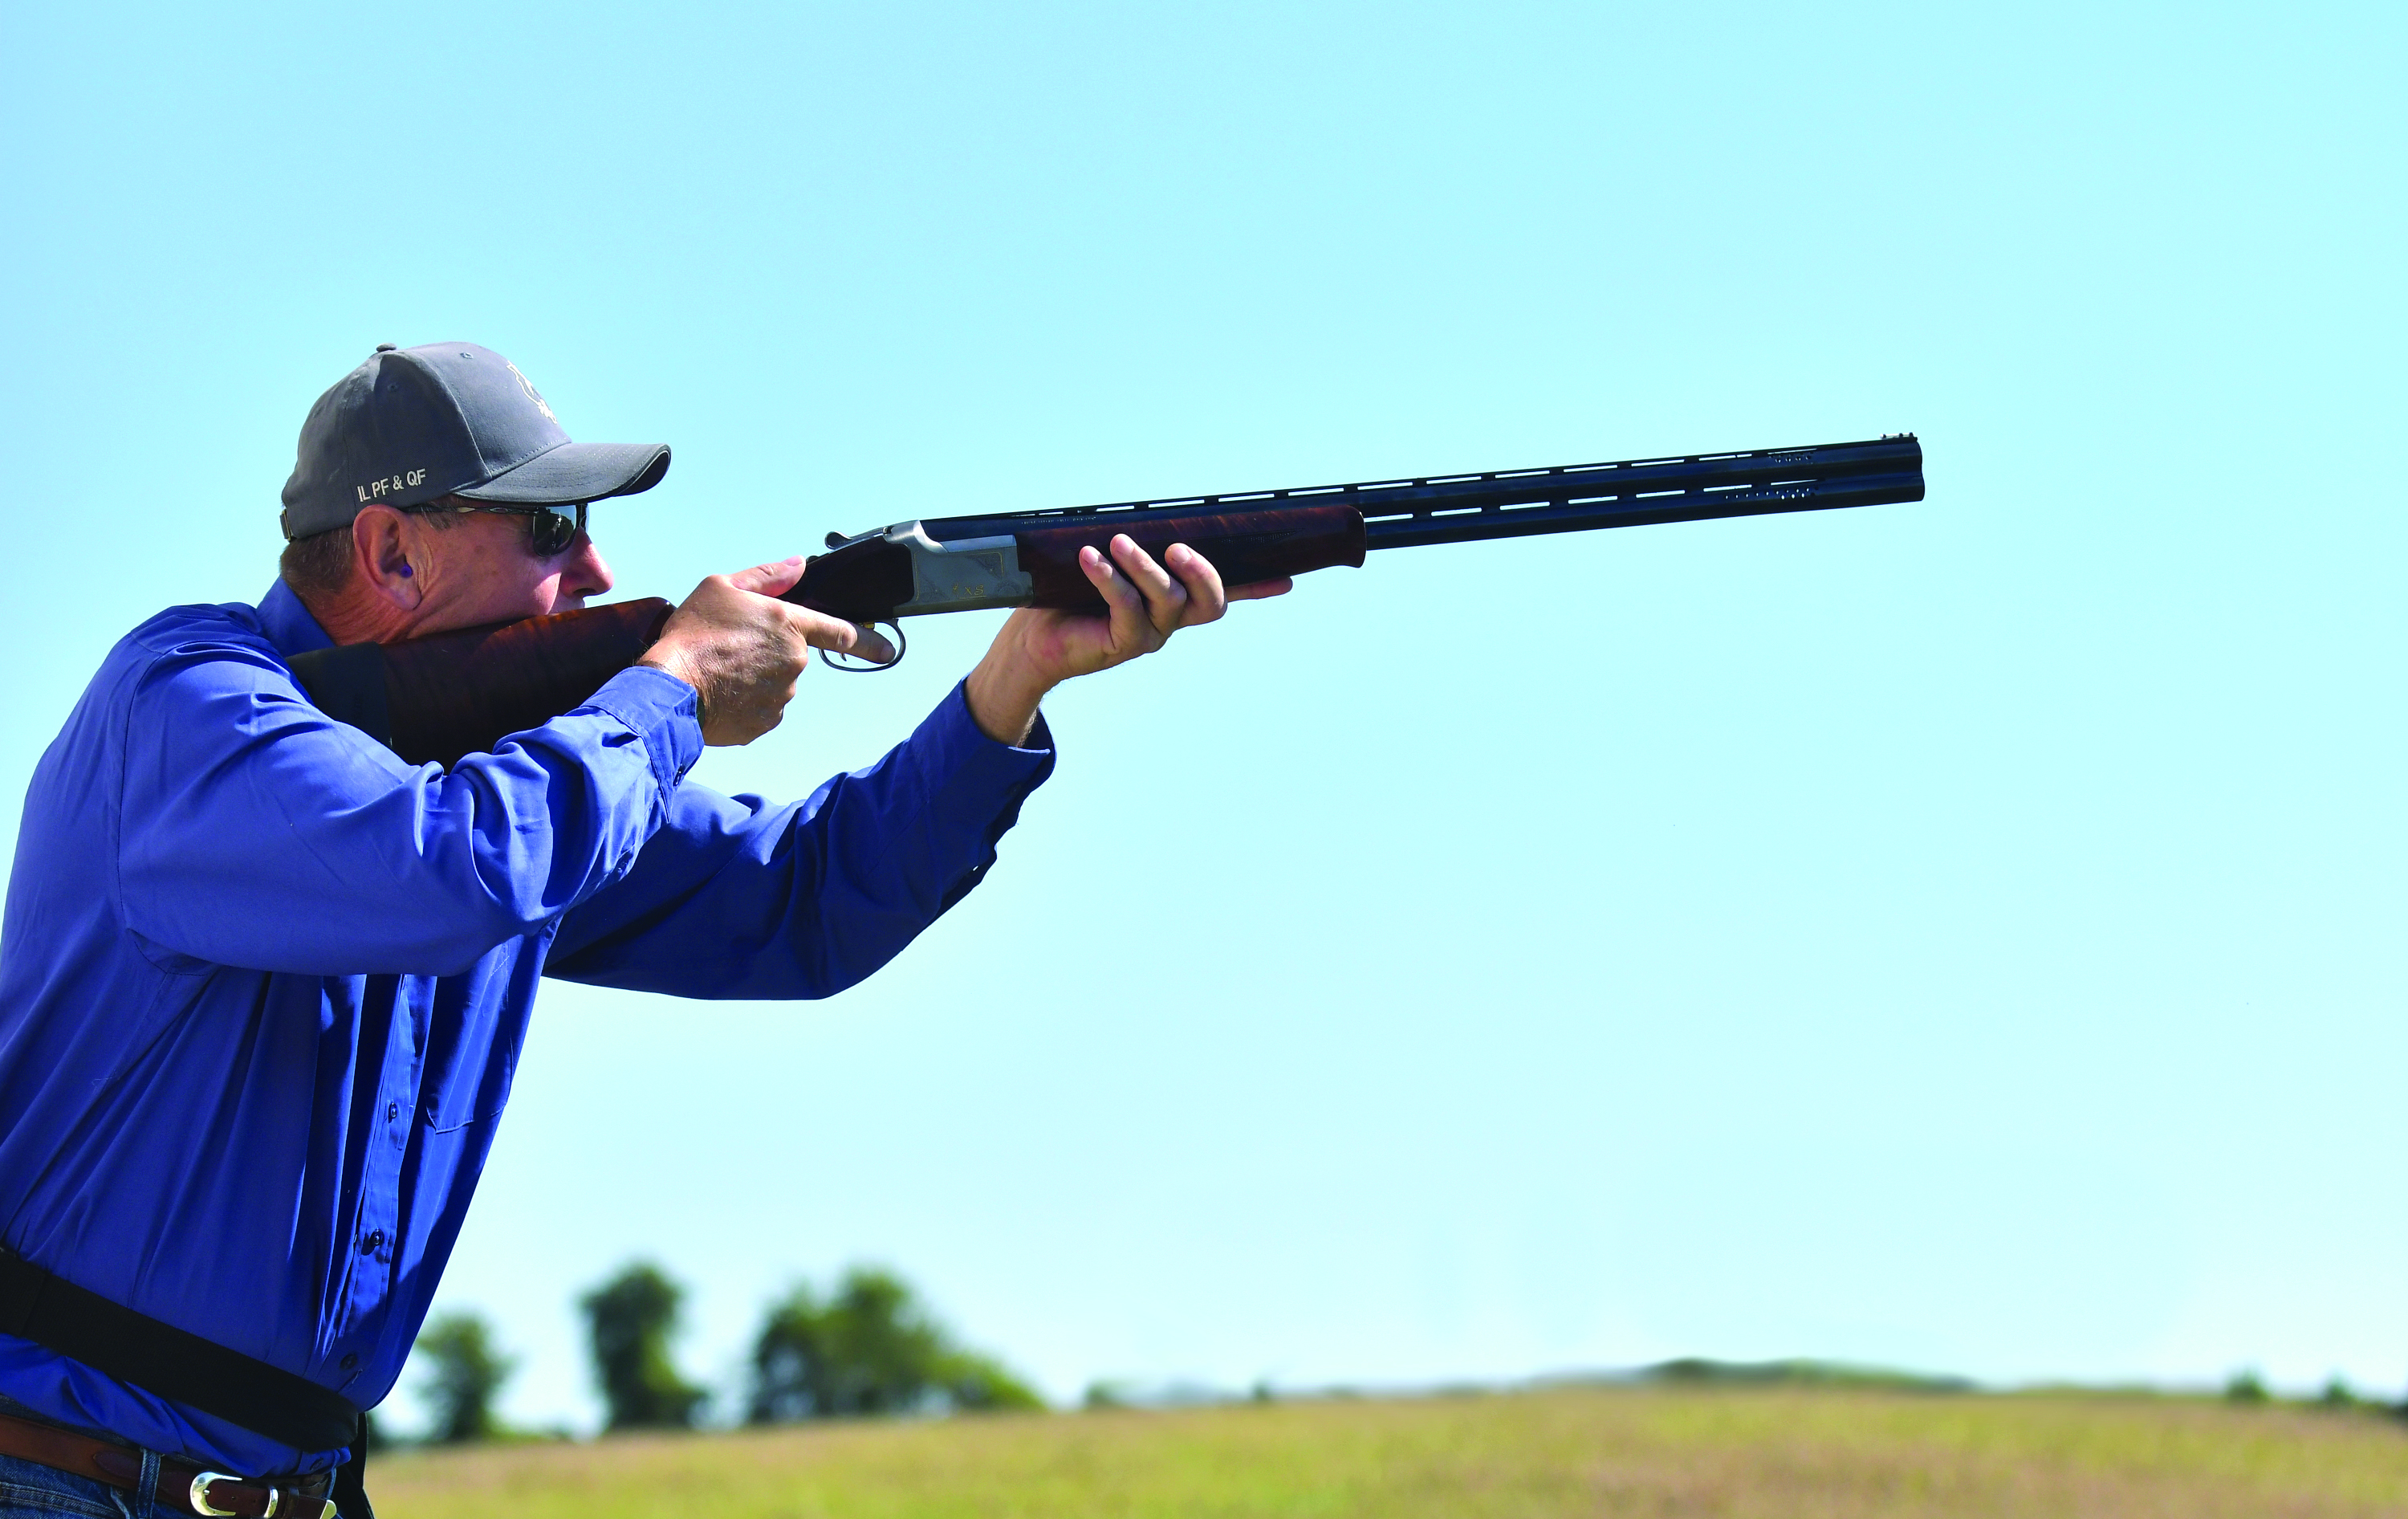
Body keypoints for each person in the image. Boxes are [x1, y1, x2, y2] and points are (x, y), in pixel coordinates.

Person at [0, 342, 1287, 1517]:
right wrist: (668, 693)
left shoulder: (514, 784)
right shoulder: (187, 706)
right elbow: (447, 869)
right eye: (553, 525)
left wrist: (1014, 681)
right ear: (393, 551)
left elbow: (804, 905)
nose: (602, 569)